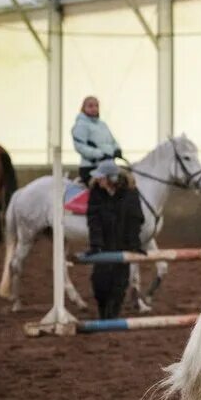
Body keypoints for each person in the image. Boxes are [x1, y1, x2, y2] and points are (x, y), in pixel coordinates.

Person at [85, 159, 144, 320]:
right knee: (99, 283)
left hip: (122, 246)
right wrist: (96, 243)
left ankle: (112, 316)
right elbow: (93, 218)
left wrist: (134, 244)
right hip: (103, 247)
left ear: (112, 179)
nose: (98, 180)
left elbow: (135, 219)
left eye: (102, 177)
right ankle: (103, 314)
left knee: (119, 285)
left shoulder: (131, 194)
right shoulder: (96, 192)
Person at [72, 96, 122, 184]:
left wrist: (117, 149)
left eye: (96, 106)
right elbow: (80, 146)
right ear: (83, 108)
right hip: (91, 167)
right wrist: (100, 154)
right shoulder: (81, 125)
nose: (94, 109)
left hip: (108, 165)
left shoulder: (102, 125)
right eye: (90, 106)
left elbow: (112, 141)